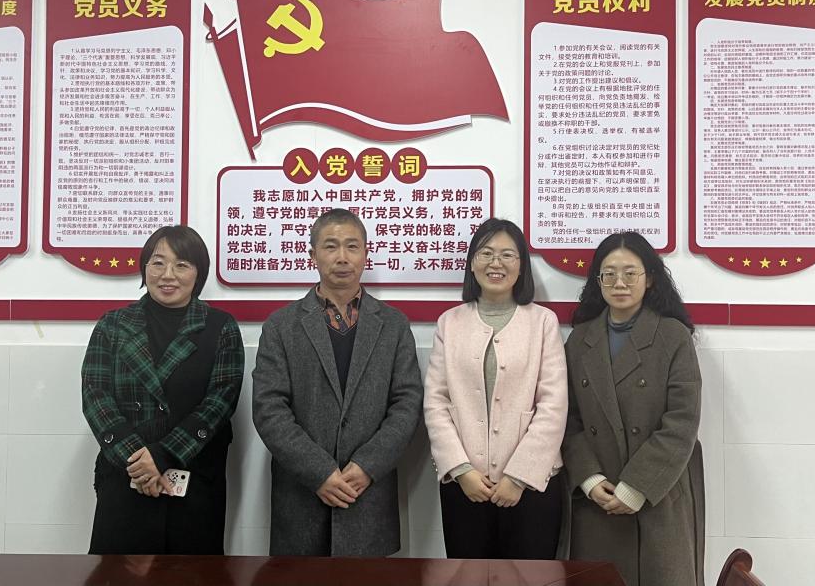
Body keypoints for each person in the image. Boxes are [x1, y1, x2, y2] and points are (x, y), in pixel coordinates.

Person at [252, 208, 423, 556]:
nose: (342, 257)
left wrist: (367, 465)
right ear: (312, 255)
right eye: (330, 246)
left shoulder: (394, 325)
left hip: (369, 495)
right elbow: (269, 408)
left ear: (366, 253)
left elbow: (407, 404)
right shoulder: (281, 326)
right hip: (301, 496)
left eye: (352, 246)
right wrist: (319, 472)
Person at [81, 225, 244, 554]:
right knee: (116, 574)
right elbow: (96, 397)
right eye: (157, 263)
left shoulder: (220, 327)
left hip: (194, 479)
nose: (167, 275)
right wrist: (139, 462)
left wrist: (163, 455)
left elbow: (221, 401)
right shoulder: (113, 325)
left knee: (193, 574)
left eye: (181, 265)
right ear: (144, 268)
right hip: (127, 475)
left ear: (198, 273)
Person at [563, 231, 704, 586]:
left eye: (630, 273)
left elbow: (682, 422)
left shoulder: (673, 336)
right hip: (599, 498)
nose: (619, 283)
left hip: (658, 494)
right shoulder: (580, 339)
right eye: (609, 274)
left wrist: (637, 486)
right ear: (598, 281)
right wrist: (590, 479)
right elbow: (568, 419)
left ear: (650, 278)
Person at [424, 217, 567, 559]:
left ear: (522, 265)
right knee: (467, 577)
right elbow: (436, 402)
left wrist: (518, 477)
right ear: (472, 263)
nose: (496, 263)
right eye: (486, 253)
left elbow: (553, 405)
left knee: (531, 578)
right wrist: (461, 470)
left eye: (507, 255)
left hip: (533, 485)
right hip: (465, 485)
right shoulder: (450, 322)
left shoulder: (542, 322)